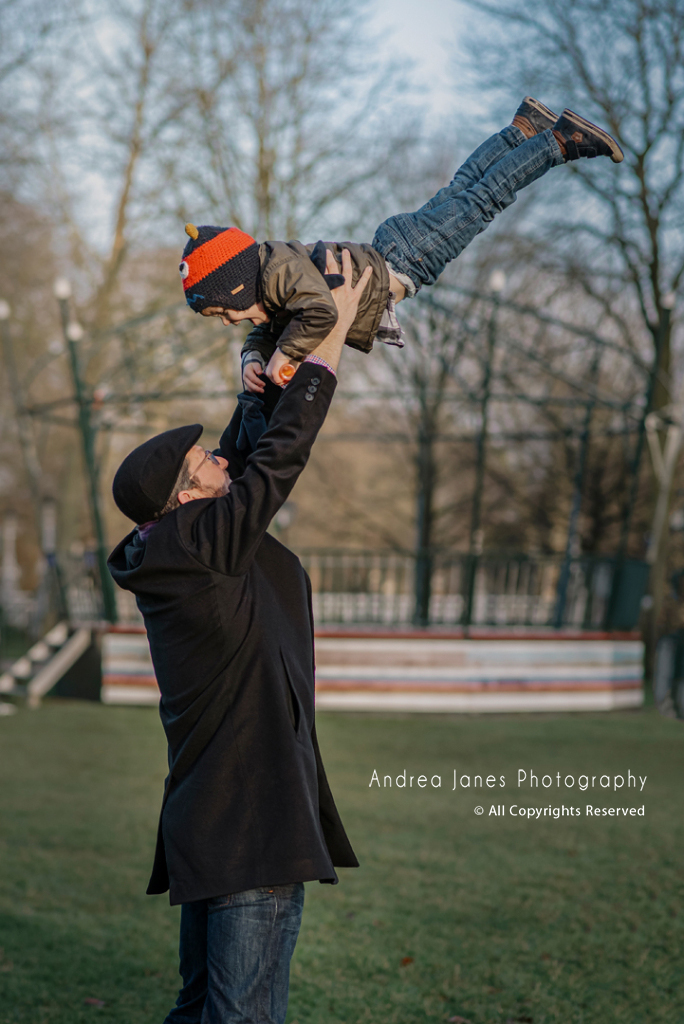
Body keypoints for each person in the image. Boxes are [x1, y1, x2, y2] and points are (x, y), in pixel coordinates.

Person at [107, 250, 372, 1024]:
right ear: (186, 496)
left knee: (203, 1010)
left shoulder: (183, 548)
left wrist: (260, 362)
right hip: (252, 827)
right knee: (241, 1016)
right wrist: (330, 339)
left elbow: (249, 449)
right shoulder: (200, 545)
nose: (217, 457)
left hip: (214, 824)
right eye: (202, 462)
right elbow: (276, 462)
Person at [177, 98, 623, 392]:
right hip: (397, 246)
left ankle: (559, 141)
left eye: (222, 311)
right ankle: (522, 129)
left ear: (237, 285)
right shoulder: (273, 282)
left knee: (484, 200)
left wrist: (286, 354)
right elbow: (271, 324)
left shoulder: (276, 273)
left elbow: (323, 311)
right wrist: (254, 355)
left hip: (406, 259)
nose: (227, 322)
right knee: (464, 189)